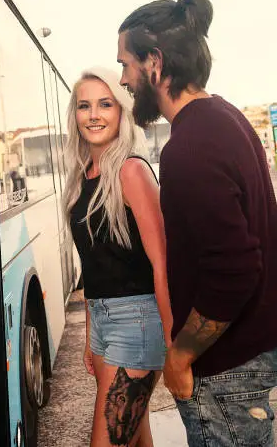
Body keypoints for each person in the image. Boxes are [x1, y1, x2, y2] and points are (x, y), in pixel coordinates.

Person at [117, 0, 277, 446]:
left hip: (225, 372)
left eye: (126, 64)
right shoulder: (226, 117)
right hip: (247, 357)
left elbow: (236, 269)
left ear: (154, 62)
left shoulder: (189, 148)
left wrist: (181, 357)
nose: (124, 80)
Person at [62, 67, 173, 447]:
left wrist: (175, 345)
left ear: (122, 111)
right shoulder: (84, 176)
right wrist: (92, 334)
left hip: (139, 322)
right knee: (136, 440)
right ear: (74, 115)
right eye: (84, 106)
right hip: (105, 322)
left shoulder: (131, 170)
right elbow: (95, 266)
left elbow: (162, 263)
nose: (94, 115)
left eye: (105, 104)